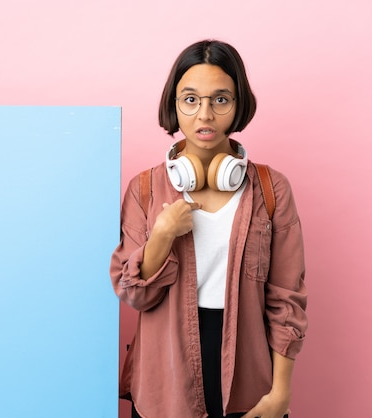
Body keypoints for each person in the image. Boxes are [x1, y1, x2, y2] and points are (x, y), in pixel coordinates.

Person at [109, 39, 308, 418]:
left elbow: (287, 298)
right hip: (165, 378)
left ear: (238, 105)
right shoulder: (145, 189)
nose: (205, 114)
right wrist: (163, 234)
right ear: (174, 105)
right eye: (190, 99)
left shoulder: (271, 188)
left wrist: (280, 392)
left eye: (220, 99)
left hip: (249, 378)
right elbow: (133, 293)